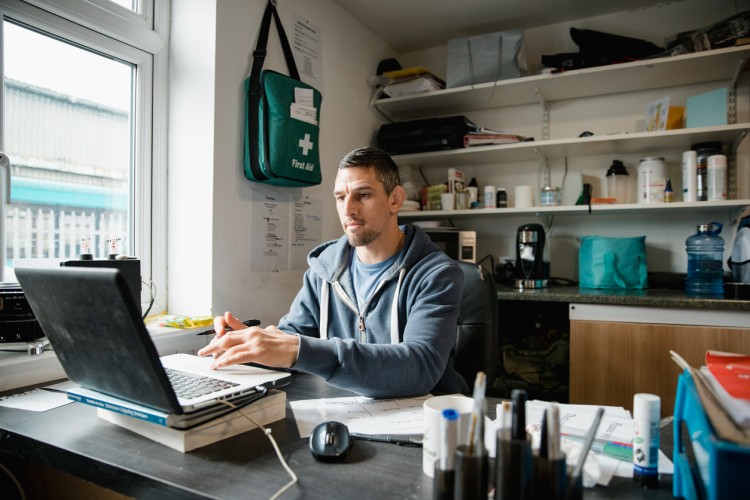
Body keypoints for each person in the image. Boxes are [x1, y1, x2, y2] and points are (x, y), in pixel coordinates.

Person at [198, 147, 468, 398]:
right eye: (341, 197)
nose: (348, 209)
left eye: (363, 195)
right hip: (343, 411)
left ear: (394, 199)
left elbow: (420, 368)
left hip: (426, 422)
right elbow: (289, 340)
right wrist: (247, 346)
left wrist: (298, 349)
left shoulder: (437, 274)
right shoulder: (323, 270)